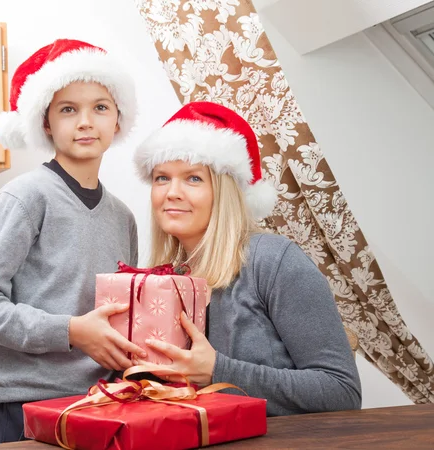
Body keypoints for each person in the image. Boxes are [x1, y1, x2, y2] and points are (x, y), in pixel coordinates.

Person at [0, 38, 146, 443]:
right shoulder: (25, 199)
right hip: (33, 409)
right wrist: (71, 331)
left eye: (100, 107)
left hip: (107, 402)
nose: (85, 121)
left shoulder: (123, 217)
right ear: (46, 122)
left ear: (118, 119)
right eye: (67, 109)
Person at [132, 101, 362, 416]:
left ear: (227, 191)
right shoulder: (166, 278)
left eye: (193, 178)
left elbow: (341, 392)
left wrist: (216, 369)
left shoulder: (273, 261)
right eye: (162, 178)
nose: (171, 192)